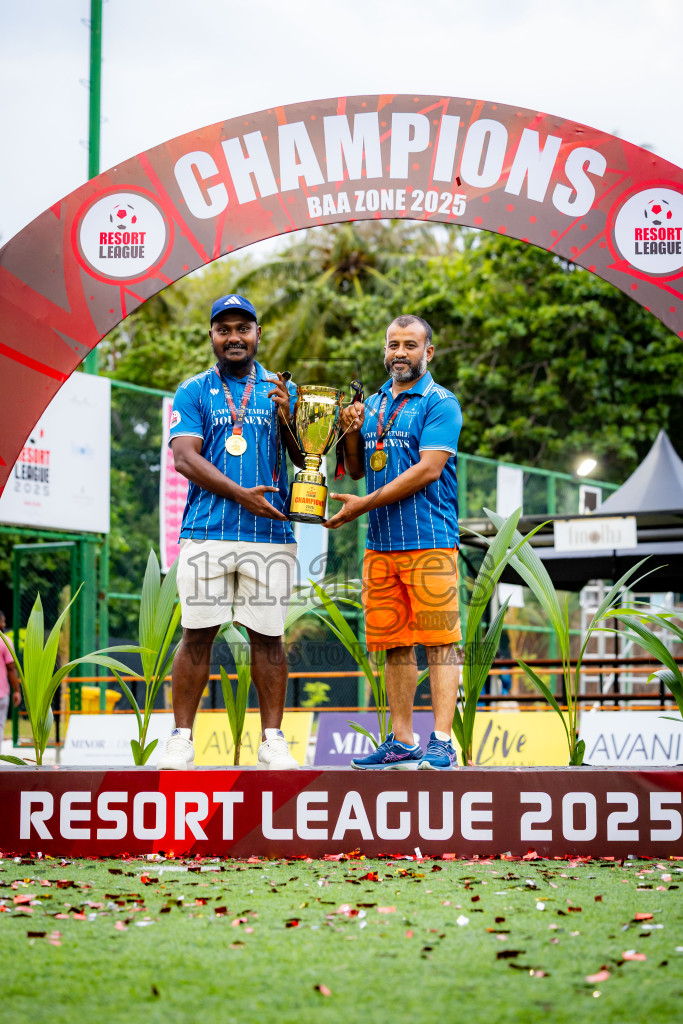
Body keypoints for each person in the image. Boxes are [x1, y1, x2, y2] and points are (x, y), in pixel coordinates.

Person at [158, 294, 304, 771]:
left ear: (258, 334)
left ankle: (273, 740)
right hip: (208, 531)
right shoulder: (193, 390)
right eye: (225, 330)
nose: (234, 337)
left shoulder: (282, 388)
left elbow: (305, 458)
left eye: (243, 328)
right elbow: (185, 458)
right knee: (196, 634)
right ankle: (181, 738)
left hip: (270, 534)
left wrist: (289, 419)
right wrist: (242, 494)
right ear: (212, 337)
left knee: (269, 638)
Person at [325, 314, 463, 770]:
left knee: (440, 642)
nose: (400, 353)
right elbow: (357, 469)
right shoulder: (374, 404)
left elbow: (429, 470)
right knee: (395, 644)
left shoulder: (441, 402)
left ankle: (442, 741)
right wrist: (349, 431)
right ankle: (403, 741)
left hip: (430, 541)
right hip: (381, 546)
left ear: (429, 351)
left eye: (410, 344)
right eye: (393, 344)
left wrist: (362, 505)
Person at [0, 611, 21, 745]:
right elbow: (11, 668)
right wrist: (17, 690)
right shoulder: (5, 642)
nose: (4, 624)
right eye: (3, 621)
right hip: (1, 694)